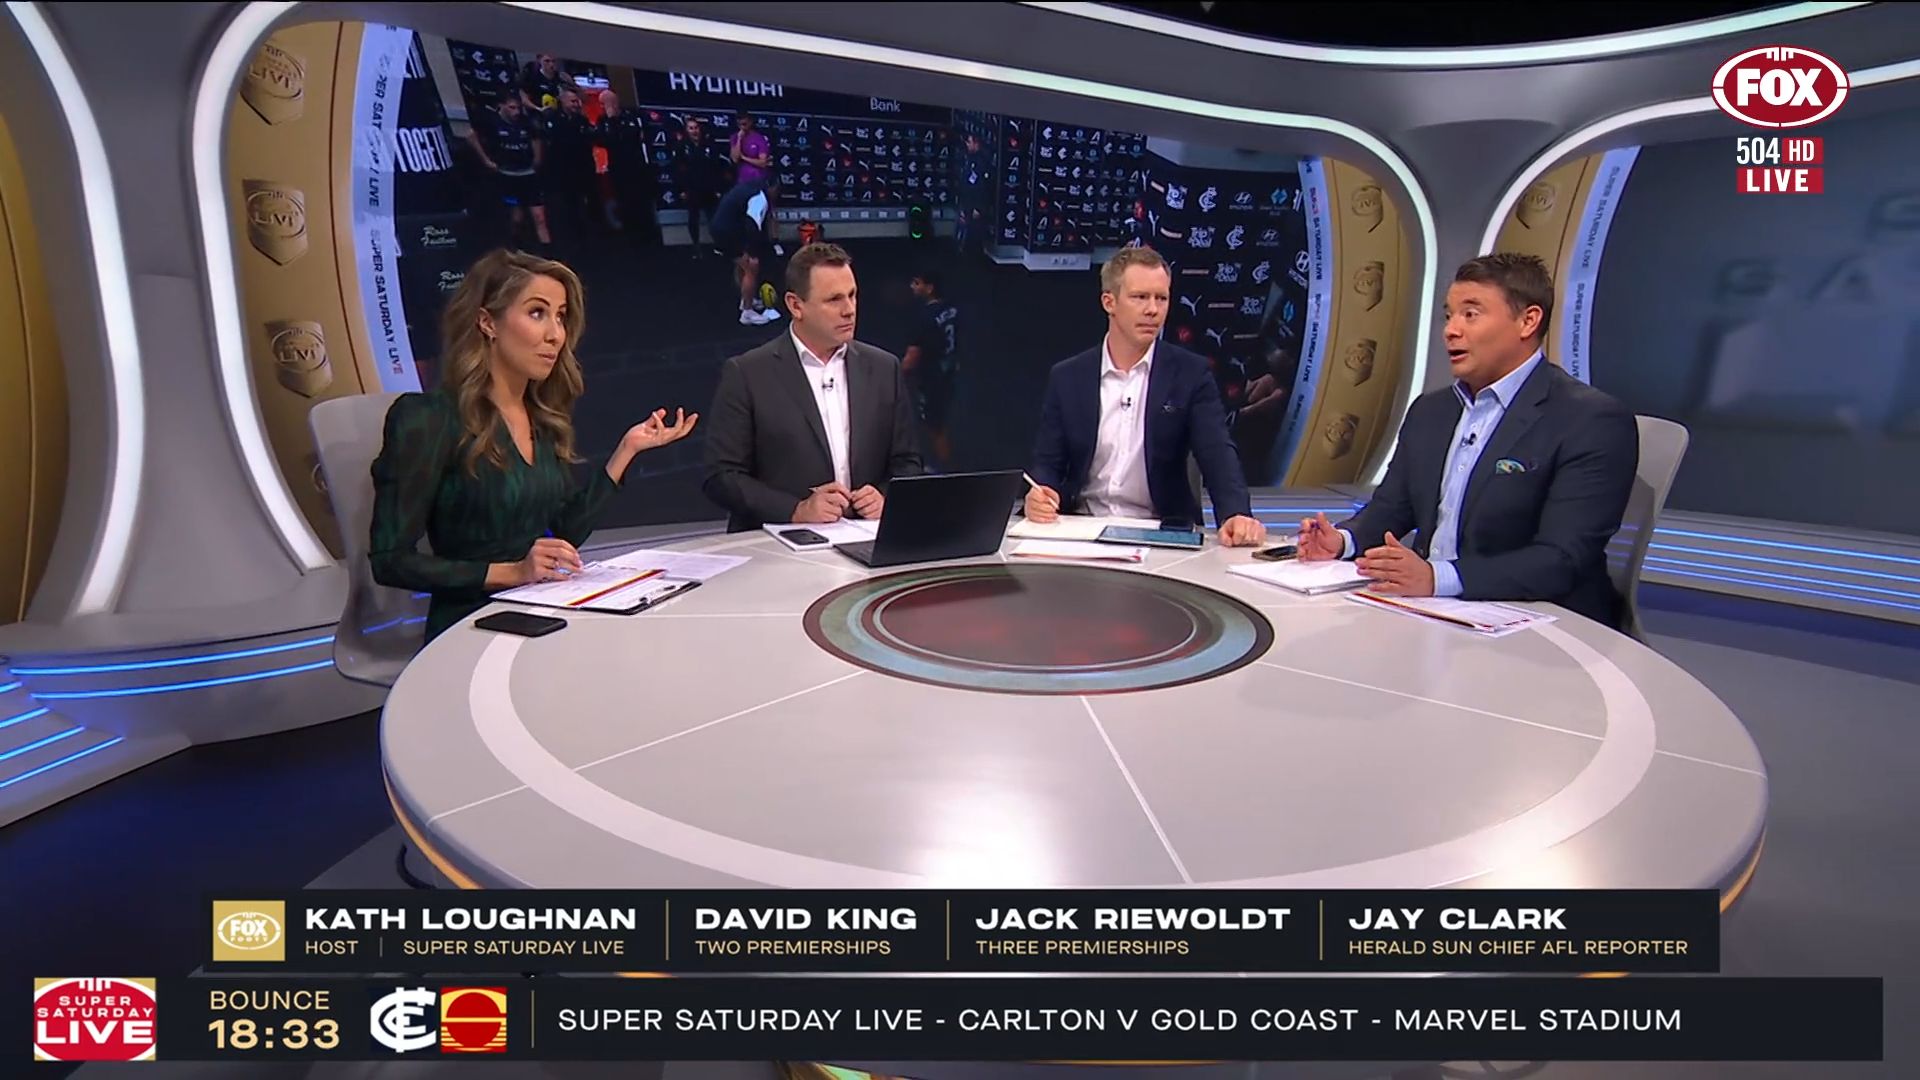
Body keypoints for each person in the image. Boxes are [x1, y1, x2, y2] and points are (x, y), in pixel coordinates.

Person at [368, 249, 699, 641]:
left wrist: (626, 451)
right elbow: (390, 561)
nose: (555, 334)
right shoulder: (428, 418)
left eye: (560, 316)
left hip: (538, 609)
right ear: (487, 322)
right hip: (469, 625)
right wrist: (511, 572)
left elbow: (564, 532)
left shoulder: (542, 419)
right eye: (537, 313)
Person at [1294, 253, 1639, 628]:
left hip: (1543, 624)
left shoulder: (1589, 419)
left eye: (1470, 314)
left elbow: (1561, 560)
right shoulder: (1431, 411)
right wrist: (1342, 541)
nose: (1451, 330)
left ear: (1528, 321)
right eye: (1449, 315)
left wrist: (1437, 578)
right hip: (1431, 611)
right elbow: (1392, 508)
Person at [1025, 246, 1266, 546]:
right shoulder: (1068, 377)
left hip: (1161, 534)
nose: (1153, 310)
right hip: (1081, 530)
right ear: (1109, 302)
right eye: (1140, 297)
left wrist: (1235, 514)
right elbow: (1048, 463)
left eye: (1161, 298)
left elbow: (1217, 451)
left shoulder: (1190, 374)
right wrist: (1040, 495)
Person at [703, 242, 924, 532]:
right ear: (796, 305)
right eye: (834, 300)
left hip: (865, 539)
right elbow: (721, 476)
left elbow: (907, 462)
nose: (849, 310)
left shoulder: (884, 368)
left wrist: (885, 497)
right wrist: (795, 510)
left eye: (852, 295)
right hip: (779, 545)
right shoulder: (747, 374)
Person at [466, 96, 548, 247]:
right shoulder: (492, 122)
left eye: (518, 108)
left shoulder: (526, 122)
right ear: (502, 106)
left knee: (540, 217)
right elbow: (471, 136)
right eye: (512, 108)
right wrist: (486, 160)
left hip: (528, 175)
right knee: (516, 218)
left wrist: (537, 158)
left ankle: (549, 254)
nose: (516, 112)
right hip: (508, 176)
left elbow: (536, 139)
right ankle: (516, 246)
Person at [903, 268, 961, 468]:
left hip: (931, 379)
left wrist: (895, 376)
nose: (912, 286)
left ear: (929, 288)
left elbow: (912, 357)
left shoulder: (924, 318)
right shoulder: (951, 309)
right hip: (948, 371)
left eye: (917, 283)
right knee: (940, 419)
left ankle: (946, 471)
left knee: (935, 426)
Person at [709, 179, 780, 326]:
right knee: (751, 267)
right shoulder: (759, 198)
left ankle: (746, 300)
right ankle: (747, 312)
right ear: (772, 189)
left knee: (742, 264)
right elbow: (752, 224)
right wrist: (753, 252)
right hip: (728, 232)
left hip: (720, 228)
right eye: (777, 191)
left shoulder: (747, 189)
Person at [730, 111, 778, 253]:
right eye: (740, 123)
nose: (742, 125)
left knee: (767, 212)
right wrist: (739, 139)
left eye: (745, 122)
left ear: (750, 122)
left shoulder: (759, 138)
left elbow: (763, 162)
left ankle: (774, 242)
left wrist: (744, 158)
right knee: (746, 214)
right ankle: (749, 244)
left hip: (760, 181)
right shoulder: (735, 137)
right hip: (743, 183)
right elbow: (735, 158)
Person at [674, 116, 721, 255]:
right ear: (686, 130)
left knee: (714, 219)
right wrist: (682, 190)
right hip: (691, 189)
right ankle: (696, 246)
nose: (694, 131)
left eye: (696, 128)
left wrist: (717, 188)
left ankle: (719, 245)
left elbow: (716, 168)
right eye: (691, 128)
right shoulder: (681, 146)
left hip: (709, 188)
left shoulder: (709, 145)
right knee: (693, 218)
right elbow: (678, 169)